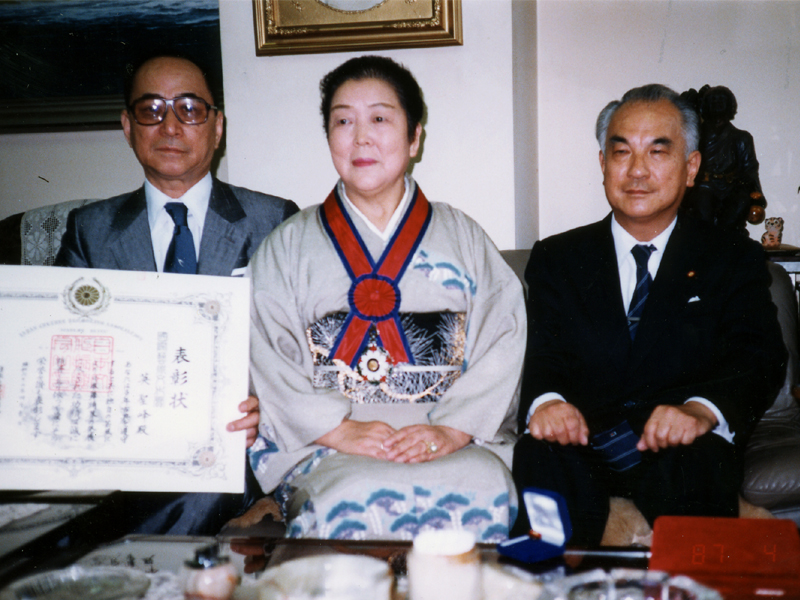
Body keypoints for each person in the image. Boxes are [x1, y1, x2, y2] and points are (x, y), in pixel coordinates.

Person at [247, 55, 526, 541]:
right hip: (329, 447)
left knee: (485, 489)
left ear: (414, 137)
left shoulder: (463, 237)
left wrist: (452, 431)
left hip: (450, 441)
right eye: (343, 122)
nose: (360, 138)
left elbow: (503, 337)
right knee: (346, 499)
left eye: (379, 118)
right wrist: (341, 431)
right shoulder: (287, 246)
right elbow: (266, 356)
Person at [511, 84, 786, 546]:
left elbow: (758, 355)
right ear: (603, 164)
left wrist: (701, 410)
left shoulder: (731, 257)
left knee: (696, 465)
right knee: (539, 455)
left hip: (681, 444)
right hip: (585, 442)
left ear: (691, 167)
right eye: (622, 152)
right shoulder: (558, 258)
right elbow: (542, 352)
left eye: (658, 152)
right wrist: (548, 403)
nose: (637, 170)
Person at [54, 52, 299, 535]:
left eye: (189, 109)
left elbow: (302, 355)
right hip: (127, 446)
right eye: (151, 110)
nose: (170, 126)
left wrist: (265, 407)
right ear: (128, 127)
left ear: (217, 127)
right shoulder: (91, 230)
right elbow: (63, 351)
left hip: (236, 448)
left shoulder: (273, 221)